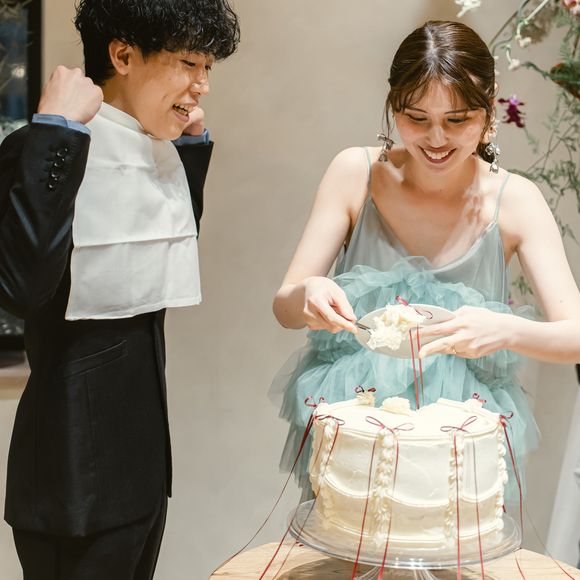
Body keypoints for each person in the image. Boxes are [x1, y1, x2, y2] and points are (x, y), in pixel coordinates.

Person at [271, 20, 580, 500]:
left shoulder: (517, 200)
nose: (437, 139)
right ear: (393, 107)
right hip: (357, 426)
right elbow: (285, 307)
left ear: (489, 109)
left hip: (460, 445)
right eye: (416, 118)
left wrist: (505, 330)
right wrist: (308, 293)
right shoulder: (354, 173)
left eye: (457, 120)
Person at [0, 1, 239, 578]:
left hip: (144, 474)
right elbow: (23, 286)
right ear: (124, 55)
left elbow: (168, 250)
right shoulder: (41, 146)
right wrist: (56, 130)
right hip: (71, 482)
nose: (202, 85)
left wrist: (189, 153)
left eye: (207, 68)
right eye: (189, 64)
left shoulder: (154, 149)